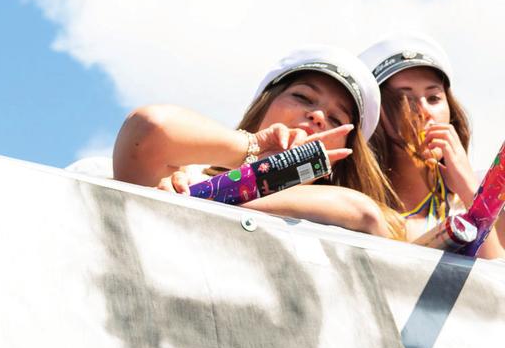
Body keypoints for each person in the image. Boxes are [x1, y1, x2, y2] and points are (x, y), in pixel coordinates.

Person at [112, 46, 403, 238]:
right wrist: (248, 150)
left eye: (337, 119)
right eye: (302, 97)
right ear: (263, 107)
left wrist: (219, 195)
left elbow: (362, 213)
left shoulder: (354, 216)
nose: (316, 116)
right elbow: (150, 128)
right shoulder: (184, 179)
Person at [360, 34, 504, 259]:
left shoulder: (494, 204)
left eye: (434, 97)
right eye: (403, 100)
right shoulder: (357, 204)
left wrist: (471, 192)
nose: (423, 111)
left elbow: (497, 283)